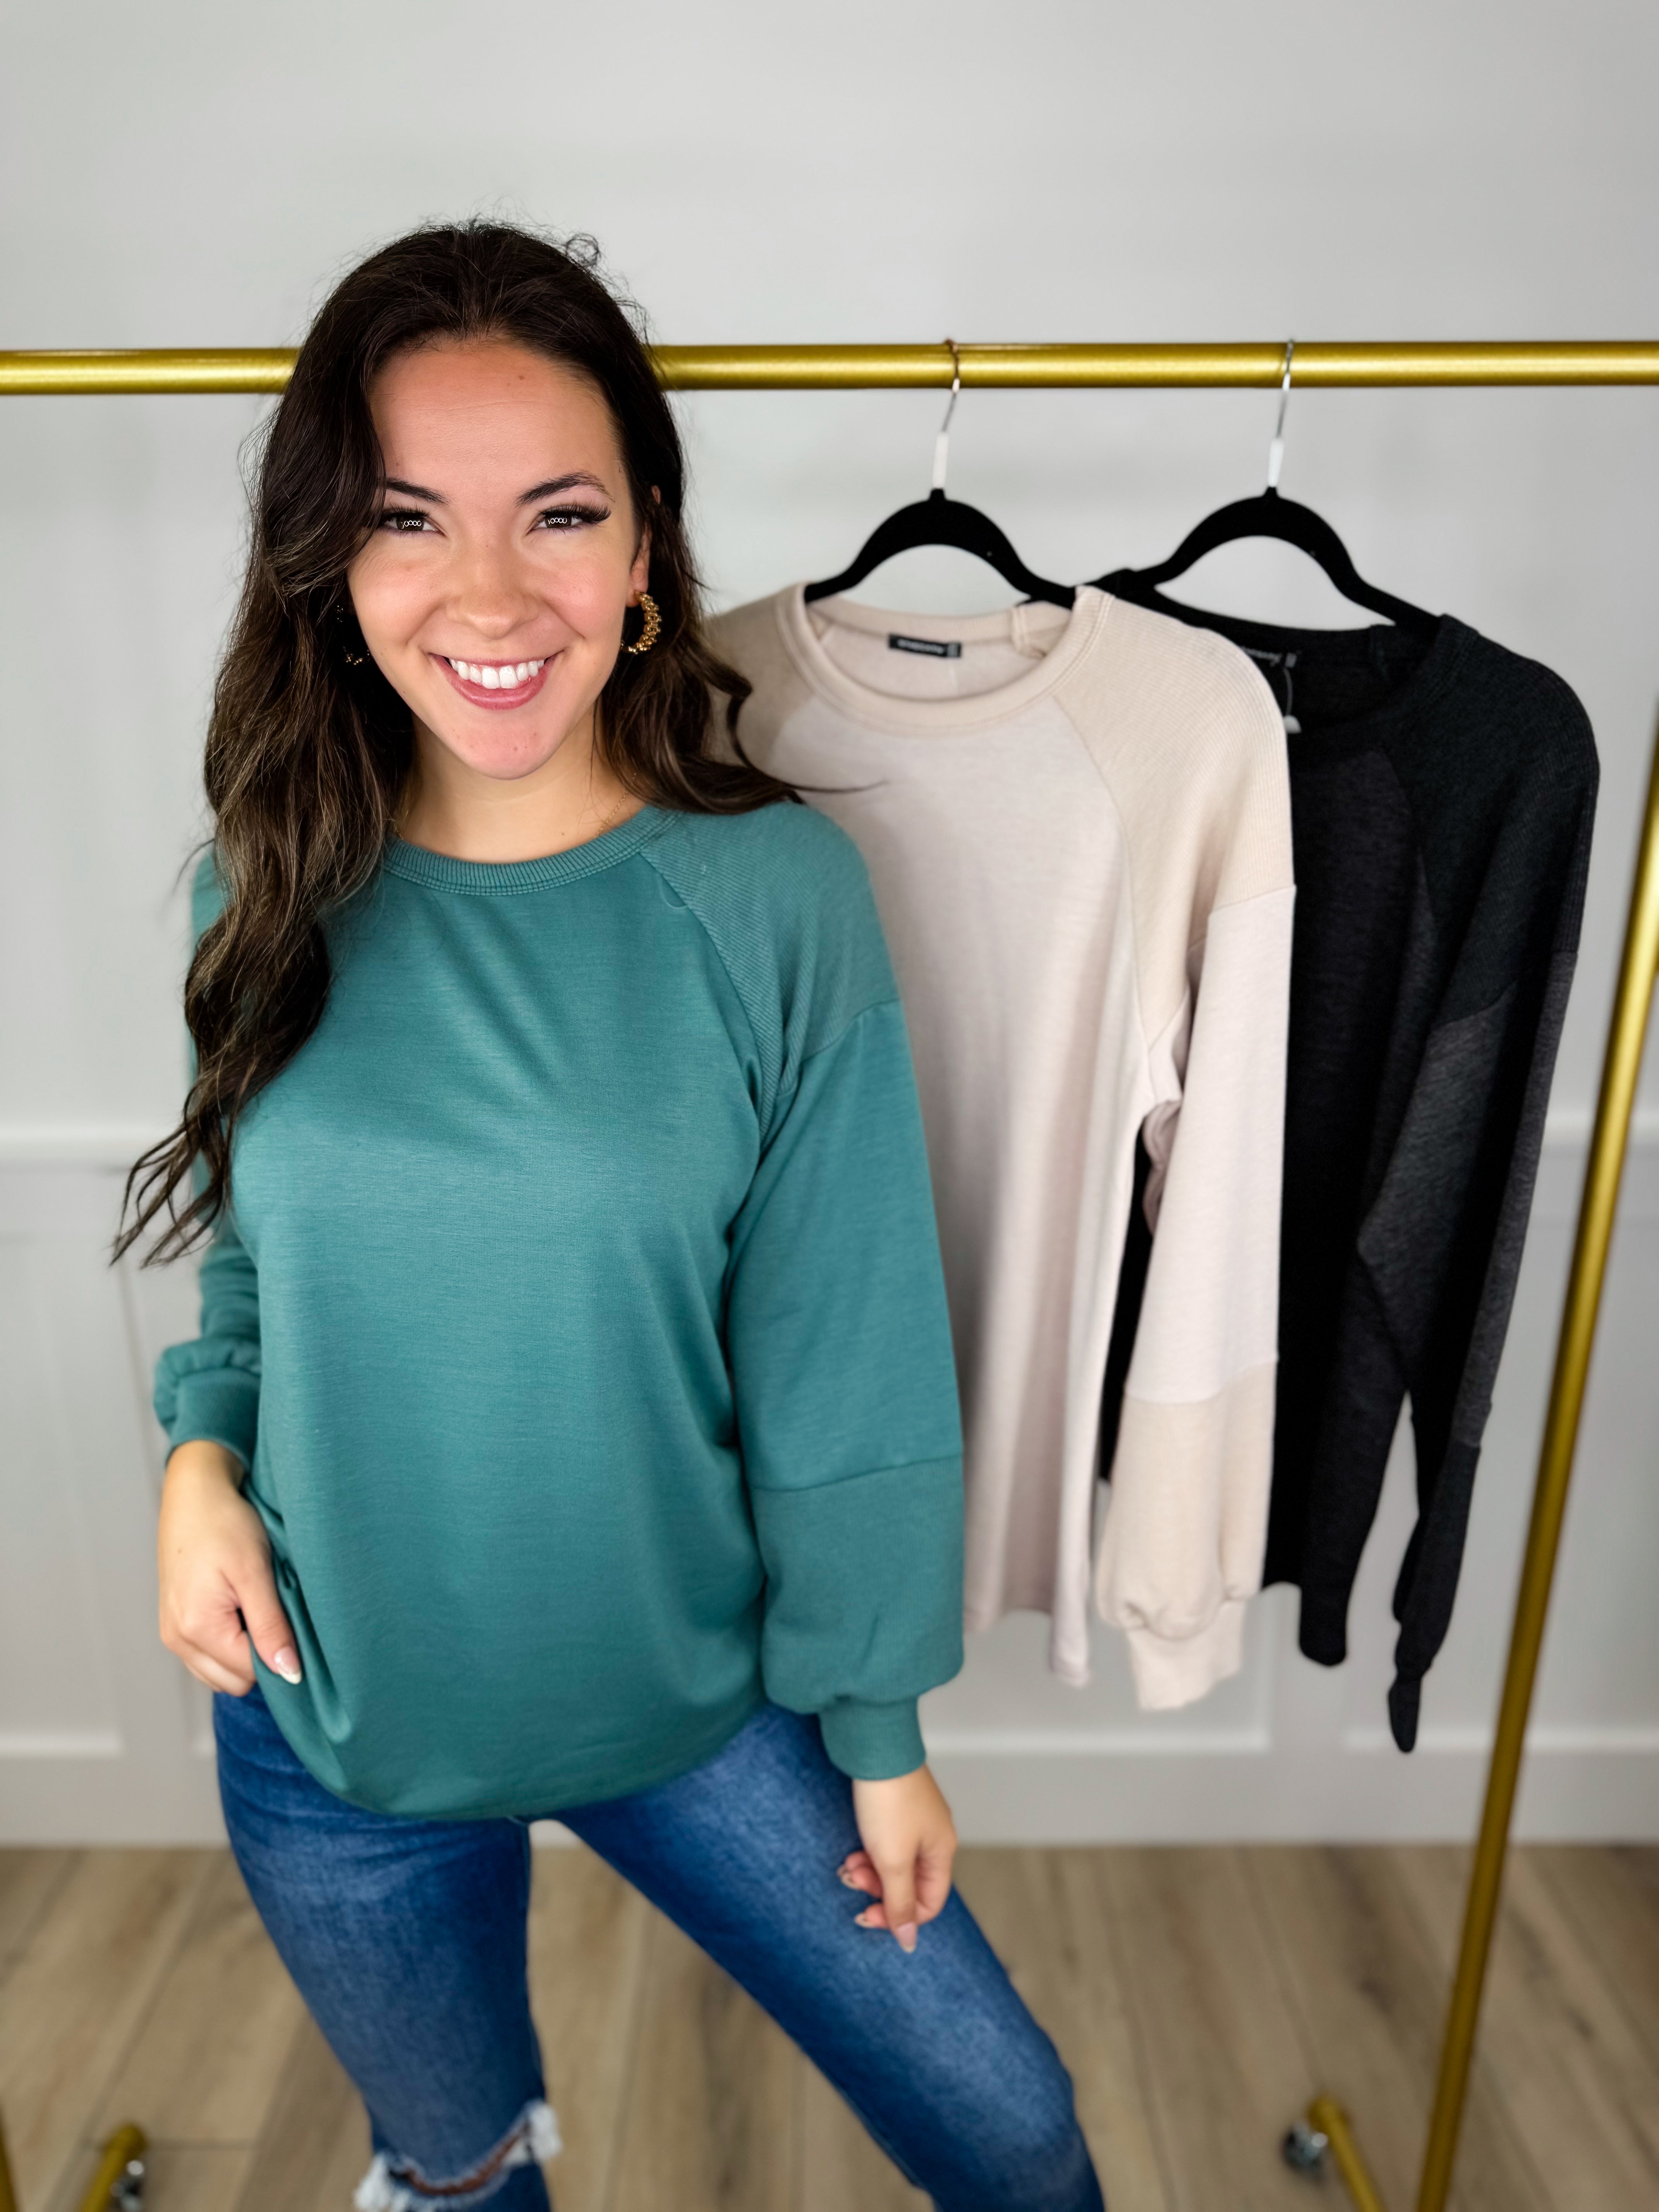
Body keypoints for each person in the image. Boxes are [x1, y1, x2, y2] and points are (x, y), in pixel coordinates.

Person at [125, 222, 1106, 2212]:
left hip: (694, 1700)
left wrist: (880, 1730)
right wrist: (199, 1462)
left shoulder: (773, 902)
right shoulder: (267, 882)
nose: (491, 595)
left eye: (559, 515)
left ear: (646, 546)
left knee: (1012, 2134)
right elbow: (259, 1257)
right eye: (408, 521)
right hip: (335, 1720)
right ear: (331, 563)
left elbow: (845, 1355)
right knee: (459, 2169)